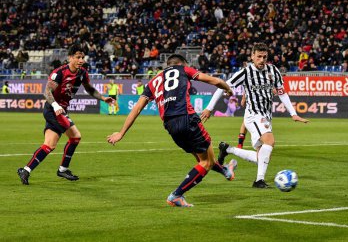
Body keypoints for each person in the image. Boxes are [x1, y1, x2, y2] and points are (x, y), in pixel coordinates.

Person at [107, 54, 237, 207]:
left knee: (202, 157)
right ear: (181, 63)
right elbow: (215, 81)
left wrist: (121, 133)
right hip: (187, 117)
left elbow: (137, 108)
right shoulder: (183, 69)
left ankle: (226, 171)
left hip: (170, 125)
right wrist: (228, 90)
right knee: (206, 162)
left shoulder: (153, 81)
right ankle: (176, 195)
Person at [201, 43, 309, 188]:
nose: (262, 60)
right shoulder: (245, 72)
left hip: (266, 115)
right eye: (259, 56)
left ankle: (228, 149)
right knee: (269, 141)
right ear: (252, 56)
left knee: (262, 157)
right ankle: (259, 181)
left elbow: (281, 92)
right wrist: (209, 108)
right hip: (253, 115)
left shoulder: (273, 70)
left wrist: (293, 114)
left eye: (264, 57)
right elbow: (222, 85)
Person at [17, 44, 115, 185]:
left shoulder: (82, 73)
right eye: (78, 57)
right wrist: (56, 106)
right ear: (70, 57)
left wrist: (103, 98)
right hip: (53, 110)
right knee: (76, 136)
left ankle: (25, 170)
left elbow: (90, 89)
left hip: (60, 110)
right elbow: (47, 92)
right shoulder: (60, 73)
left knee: (49, 145)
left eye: (82, 57)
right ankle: (63, 169)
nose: (81, 60)